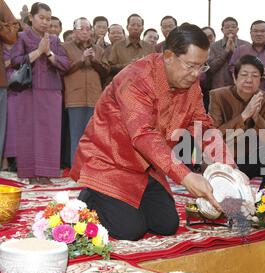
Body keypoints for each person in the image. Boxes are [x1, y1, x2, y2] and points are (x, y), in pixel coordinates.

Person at [70, 24, 234, 241]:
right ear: (168, 56)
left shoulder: (191, 85)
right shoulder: (136, 78)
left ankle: (122, 203)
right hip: (108, 162)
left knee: (166, 225)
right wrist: (185, 176)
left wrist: (229, 170)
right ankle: (90, 195)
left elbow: (202, 126)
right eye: (190, 65)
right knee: (130, 231)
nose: (196, 74)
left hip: (147, 168)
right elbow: (143, 134)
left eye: (201, 67)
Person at [208, 54, 265, 189]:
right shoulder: (218, 96)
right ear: (235, 77)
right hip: (222, 160)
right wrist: (244, 116)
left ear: (261, 79)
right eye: (244, 75)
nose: (249, 80)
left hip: (248, 159)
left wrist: (257, 117)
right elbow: (213, 136)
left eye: (255, 76)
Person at [11, 2, 69, 184]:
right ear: (31, 18)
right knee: (28, 132)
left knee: (49, 133)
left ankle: (45, 175)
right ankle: (30, 175)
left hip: (51, 91)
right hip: (27, 91)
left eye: (48, 19)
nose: (45, 22)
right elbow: (15, 61)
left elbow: (65, 65)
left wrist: (49, 52)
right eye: (41, 18)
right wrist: (38, 52)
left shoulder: (54, 40)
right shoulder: (21, 36)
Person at [62, 17, 109, 164]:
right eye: (81, 29)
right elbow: (63, 70)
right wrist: (81, 60)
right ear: (74, 31)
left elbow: (105, 72)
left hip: (95, 97)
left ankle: (91, 169)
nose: (85, 32)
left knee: (93, 137)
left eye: (88, 29)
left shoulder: (99, 50)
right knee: (76, 135)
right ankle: (76, 170)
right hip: (75, 96)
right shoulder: (65, 47)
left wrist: (94, 60)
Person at [229, 20, 265, 96]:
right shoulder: (240, 50)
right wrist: (245, 73)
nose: (259, 34)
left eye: (262, 31)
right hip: (243, 94)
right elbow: (231, 67)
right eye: (255, 31)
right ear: (250, 33)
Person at [0, 0, 19, 171]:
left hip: (4, 83)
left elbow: (13, 32)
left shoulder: (1, 5)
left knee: (4, 125)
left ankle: (4, 161)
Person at [207, 17, 249, 90]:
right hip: (219, 87)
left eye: (233, 27)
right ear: (222, 30)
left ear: (237, 29)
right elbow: (211, 69)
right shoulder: (213, 46)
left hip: (240, 87)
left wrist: (234, 52)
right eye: (227, 27)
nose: (230, 29)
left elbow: (248, 66)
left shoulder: (246, 45)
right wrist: (226, 51)